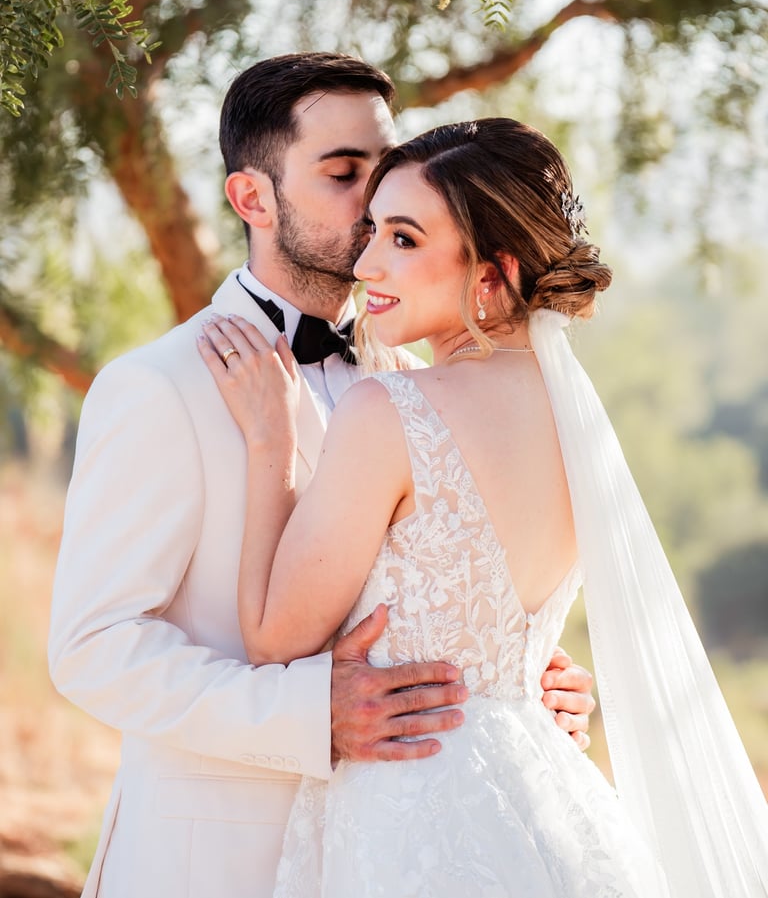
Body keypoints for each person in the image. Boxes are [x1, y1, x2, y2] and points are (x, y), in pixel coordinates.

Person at [48, 55, 595, 898]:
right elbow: (93, 648)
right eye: (344, 174)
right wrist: (309, 716)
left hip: (402, 851)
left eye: (385, 172)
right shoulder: (156, 386)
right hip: (213, 863)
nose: (374, 201)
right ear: (252, 199)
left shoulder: (425, 383)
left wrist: (514, 686)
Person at [200, 117, 768, 896]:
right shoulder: (577, 423)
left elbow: (272, 639)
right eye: (372, 231)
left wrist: (270, 440)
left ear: (491, 275)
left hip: (411, 812)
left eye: (402, 239)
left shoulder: (389, 409)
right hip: (547, 794)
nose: (365, 262)